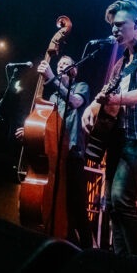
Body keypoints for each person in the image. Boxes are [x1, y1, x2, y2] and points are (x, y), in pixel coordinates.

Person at [82, 0, 137, 257]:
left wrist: (111, 99)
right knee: (112, 205)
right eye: (112, 27)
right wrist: (91, 107)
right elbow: (105, 94)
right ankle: (121, 263)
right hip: (118, 138)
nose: (114, 31)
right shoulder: (120, 64)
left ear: (136, 24)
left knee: (121, 197)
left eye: (120, 25)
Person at [17, 56, 92, 249]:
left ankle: (89, 250)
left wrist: (52, 78)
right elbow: (48, 130)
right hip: (55, 158)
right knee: (59, 207)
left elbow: (75, 102)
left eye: (66, 65)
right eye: (58, 65)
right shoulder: (52, 99)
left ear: (74, 70)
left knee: (77, 207)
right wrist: (31, 131)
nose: (61, 67)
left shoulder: (81, 87)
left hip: (73, 156)